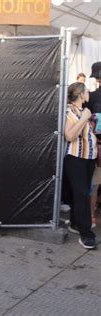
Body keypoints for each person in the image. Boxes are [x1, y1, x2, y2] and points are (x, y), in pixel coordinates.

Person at [64, 82, 97, 249]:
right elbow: (69, 136)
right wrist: (84, 118)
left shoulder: (86, 112)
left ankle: (75, 224)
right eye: (87, 91)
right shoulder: (70, 112)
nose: (89, 94)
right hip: (75, 158)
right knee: (82, 194)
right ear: (81, 94)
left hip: (88, 158)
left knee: (81, 192)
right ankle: (86, 234)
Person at [85, 61, 101, 228]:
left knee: (94, 184)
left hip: (96, 146)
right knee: (94, 184)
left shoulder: (92, 97)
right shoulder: (92, 97)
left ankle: (91, 215)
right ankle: (90, 215)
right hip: (97, 147)